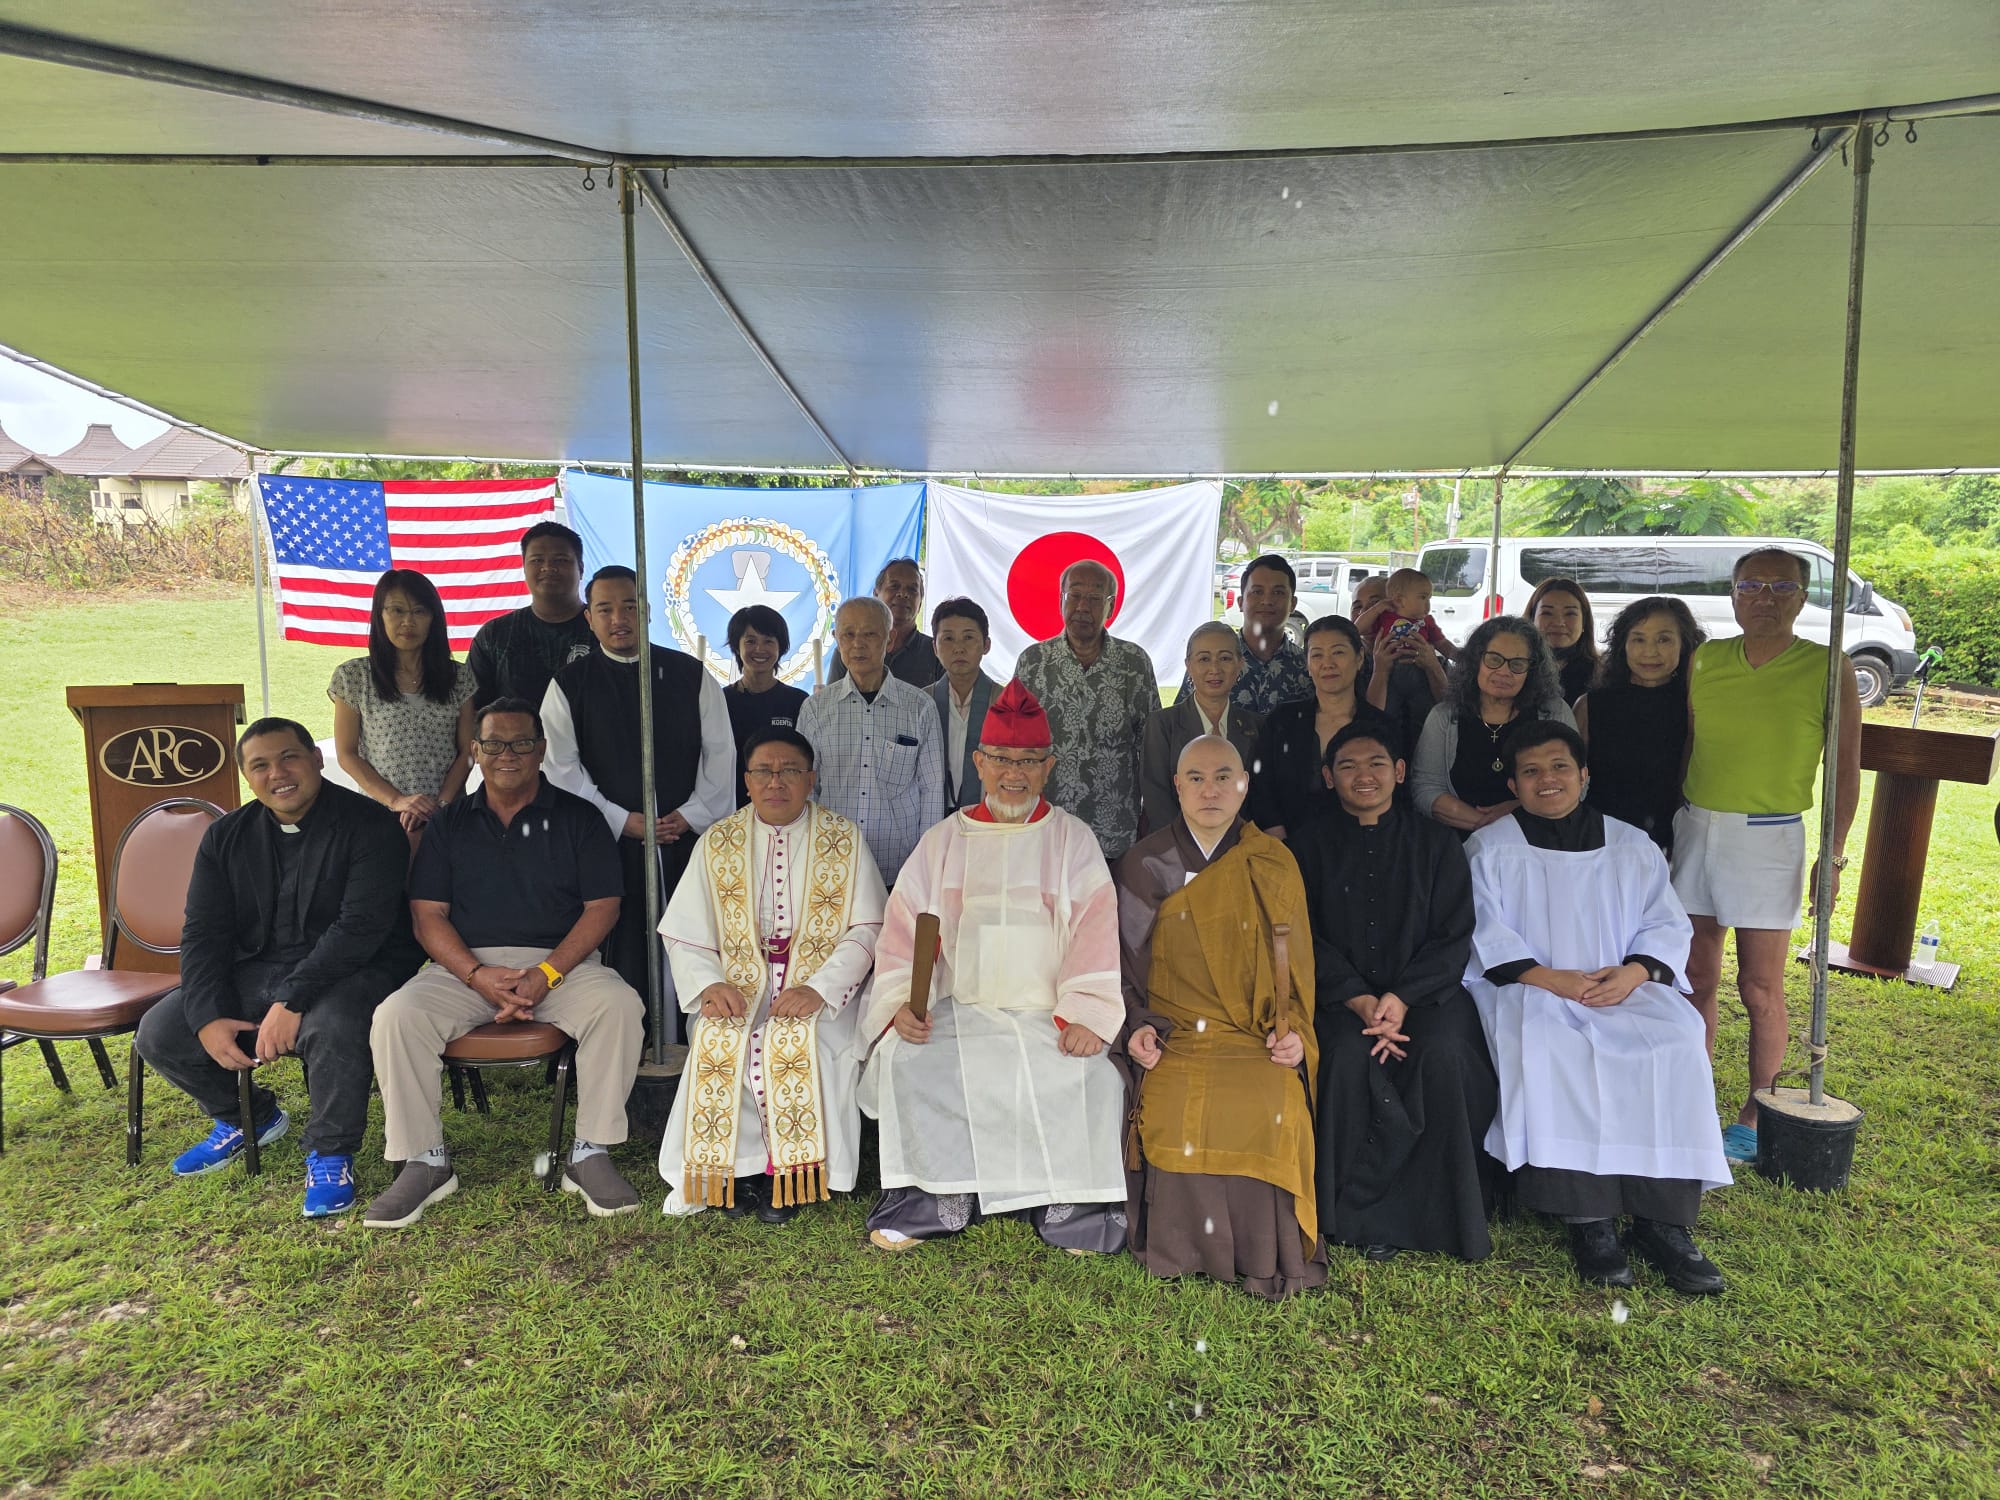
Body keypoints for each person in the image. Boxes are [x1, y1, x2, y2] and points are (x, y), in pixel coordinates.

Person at [859, 680, 1129, 1254]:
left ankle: (1068, 1201)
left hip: (1048, 1014)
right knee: (909, 1061)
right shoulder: (942, 841)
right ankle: (939, 1195)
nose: (1014, 773)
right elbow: (907, 932)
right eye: (1002, 759)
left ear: (1048, 765)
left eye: (1029, 761)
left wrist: (1084, 1013)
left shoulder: (1072, 840)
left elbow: (1095, 931)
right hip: (962, 1010)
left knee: (1089, 1076)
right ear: (979, 761)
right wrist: (904, 1010)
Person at [1465, 722, 1729, 1294]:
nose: (1547, 780)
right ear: (1514, 782)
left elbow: (1664, 922)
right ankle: (1589, 1221)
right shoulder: (1492, 848)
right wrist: (1547, 977)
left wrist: (1635, 972)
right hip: (1532, 986)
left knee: (1675, 1043)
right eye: (1531, 772)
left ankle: (1665, 1223)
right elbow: (1483, 931)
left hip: (1623, 983)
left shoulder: (1631, 845)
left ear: (1584, 775)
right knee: (1554, 1045)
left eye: (1560, 767)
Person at [364, 698, 646, 1228]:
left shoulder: (580, 818)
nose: (507, 754)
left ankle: (590, 1153)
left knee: (619, 1004)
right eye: (493, 743)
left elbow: (603, 907)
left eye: (521, 743)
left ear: (541, 750)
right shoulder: (449, 825)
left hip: (561, 966)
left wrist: (547, 974)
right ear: (474, 752)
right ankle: (423, 1161)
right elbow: (427, 915)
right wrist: (475, 975)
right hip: (465, 969)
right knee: (396, 1016)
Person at [135, 718, 424, 1217]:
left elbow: (360, 928)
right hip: (258, 967)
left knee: (332, 1025)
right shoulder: (225, 836)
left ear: (316, 758)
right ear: (247, 776)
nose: (279, 774)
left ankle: (332, 1153)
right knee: (162, 1030)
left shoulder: (372, 825)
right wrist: (206, 1015)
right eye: (261, 765)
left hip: (358, 966)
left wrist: (293, 1001)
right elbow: (203, 932)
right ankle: (249, 1117)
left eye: (289, 757)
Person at [1114, 735, 1324, 1298]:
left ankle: (1264, 1253)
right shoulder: (1146, 863)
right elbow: (1124, 968)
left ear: (1245, 784)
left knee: (1270, 1102)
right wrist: (1136, 1027)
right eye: (1197, 779)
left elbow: (1298, 971)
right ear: (1176, 786)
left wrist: (1296, 1036)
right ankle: (1183, 1251)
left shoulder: (1273, 863)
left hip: (1254, 1036)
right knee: (1176, 1107)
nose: (1212, 790)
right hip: (1175, 1033)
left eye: (1224, 777)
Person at [1674, 547, 1861, 1164]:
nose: (1765, 598)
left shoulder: (1826, 665)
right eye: (1751, 585)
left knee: (1759, 986)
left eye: (1782, 587)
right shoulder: (1706, 659)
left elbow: (1845, 770)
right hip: (1698, 828)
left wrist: (1830, 858)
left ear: (1803, 597)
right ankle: (1692, 1094)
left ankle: (1757, 1110)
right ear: (1732, 594)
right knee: (1694, 976)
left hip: (1771, 835)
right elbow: (1694, 746)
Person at [656, 729, 886, 1222]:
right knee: (720, 1038)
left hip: (816, 987)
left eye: (789, 771)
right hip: (738, 984)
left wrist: (818, 988)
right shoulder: (719, 841)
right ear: (747, 781)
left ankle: (793, 1175)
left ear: (811, 780)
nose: (775, 781)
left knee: (802, 1042)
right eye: (764, 771)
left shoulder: (842, 840)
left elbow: (868, 928)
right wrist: (709, 983)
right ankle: (733, 1173)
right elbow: (685, 933)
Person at [1291, 722, 1499, 1262]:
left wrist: (1402, 999)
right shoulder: (1307, 846)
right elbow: (1301, 933)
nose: (1364, 776)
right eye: (1348, 767)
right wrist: (1359, 999)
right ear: (1327, 776)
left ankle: (1443, 1206)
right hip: (1341, 997)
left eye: (1377, 764)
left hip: (1426, 996)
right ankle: (1355, 1213)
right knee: (1343, 1054)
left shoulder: (1437, 843)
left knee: (1444, 1052)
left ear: (1400, 772)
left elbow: (1454, 935)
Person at [541, 565, 734, 1011]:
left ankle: (690, 1035)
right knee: (623, 942)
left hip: (684, 837)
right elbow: (561, 768)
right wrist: (620, 820)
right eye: (605, 609)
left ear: (646, 611)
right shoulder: (570, 685)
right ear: (589, 618)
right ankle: (631, 1035)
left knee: (693, 936)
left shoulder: (691, 674)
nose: (618, 618)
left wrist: (692, 814)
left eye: (629, 606)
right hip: (609, 843)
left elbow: (721, 752)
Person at [1013, 559, 1158, 859]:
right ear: (1061, 599)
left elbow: (1151, 746)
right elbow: (1015, 746)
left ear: (1111, 605)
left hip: (1114, 830)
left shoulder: (1134, 663)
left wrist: (1151, 813)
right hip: (1045, 826)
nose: (1082, 606)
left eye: (1094, 599)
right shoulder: (1033, 662)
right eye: (1074, 595)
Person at [797, 596, 945, 884]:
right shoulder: (816, 709)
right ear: (837, 640)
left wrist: (925, 864)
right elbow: (806, 788)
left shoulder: (919, 707)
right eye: (848, 634)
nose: (858, 643)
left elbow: (931, 790)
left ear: (889, 640)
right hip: (831, 863)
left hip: (899, 868)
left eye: (870, 634)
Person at [328, 569, 476, 836]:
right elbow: (347, 754)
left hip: (447, 817)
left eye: (419, 611)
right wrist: (397, 801)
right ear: (380, 615)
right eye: (397, 610)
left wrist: (441, 803)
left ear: (433, 619)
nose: (408, 621)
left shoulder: (460, 677)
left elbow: (467, 751)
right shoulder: (353, 677)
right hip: (381, 816)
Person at [1412, 616, 1576, 836]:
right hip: (1459, 845)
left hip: (1539, 838)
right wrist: (1486, 826)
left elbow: (1577, 784)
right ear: (1475, 661)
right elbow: (1425, 788)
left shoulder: (1554, 712)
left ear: (1532, 670)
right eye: (1494, 659)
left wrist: (1516, 812)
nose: (1504, 671)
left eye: (1517, 664)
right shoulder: (1444, 716)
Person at [1574, 596, 1706, 854]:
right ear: (1623, 644)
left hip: (1677, 843)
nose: (1650, 651)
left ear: (1684, 645)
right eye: (1638, 639)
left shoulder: (1696, 707)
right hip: (1600, 841)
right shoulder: (1590, 706)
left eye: (1664, 639)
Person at [1246, 615, 1396, 842]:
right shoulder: (1283, 720)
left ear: (1359, 659)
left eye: (1338, 652)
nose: (1328, 663)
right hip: (1288, 851)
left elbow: (1395, 797)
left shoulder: (1380, 726)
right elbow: (1262, 788)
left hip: (1364, 848)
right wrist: (1281, 846)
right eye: (1317, 655)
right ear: (1307, 664)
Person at [1140, 621, 1262, 835]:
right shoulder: (1162, 724)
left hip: (1240, 847)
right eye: (1204, 659)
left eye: (1224, 658)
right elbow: (1156, 798)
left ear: (1240, 664)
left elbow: (1261, 798)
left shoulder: (1256, 726)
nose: (1214, 669)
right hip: (1176, 847)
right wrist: (1195, 848)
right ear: (1188, 665)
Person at [465, 521, 595, 711]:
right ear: (524, 568)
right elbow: (472, 713)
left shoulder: (604, 630)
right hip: (516, 741)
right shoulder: (494, 636)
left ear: (581, 568)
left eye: (561, 559)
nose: (548, 567)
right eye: (537, 560)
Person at [1175, 554, 1311, 714]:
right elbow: (1179, 724)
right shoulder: (1210, 661)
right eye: (1257, 592)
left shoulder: (1307, 668)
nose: (1267, 600)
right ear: (1241, 602)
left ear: (1293, 604)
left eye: (1278, 592)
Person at [721, 604, 809, 808]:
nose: (759, 649)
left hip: (781, 806)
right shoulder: (720, 700)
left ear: (781, 647)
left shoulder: (798, 701)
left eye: (768, 641)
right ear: (736, 646)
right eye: (750, 641)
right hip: (730, 809)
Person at [1365, 567, 1455, 763]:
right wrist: (1377, 608)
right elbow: (1355, 629)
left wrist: (1463, 657)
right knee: (1386, 720)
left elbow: (1443, 644)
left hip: (1420, 672)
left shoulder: (1426, 622)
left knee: (1425, 718)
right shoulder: (1384, 617)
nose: (1428, 605)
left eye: (1429, 598)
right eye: (1423, 597)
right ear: (1399, 599)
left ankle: (1421, 757)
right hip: (1390, 675)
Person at [927, 596, 1001, 811]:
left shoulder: (1003, 702)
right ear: (935, 647)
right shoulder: (922, 702)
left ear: (986, 645)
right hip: (932, 816)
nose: (958, 648)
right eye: (948, 638)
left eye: (968, 637)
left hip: (990, 816)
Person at [829, 557, 943, 687]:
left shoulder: (936, 652)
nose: (903, 594)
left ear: (920, 602)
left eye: (912, 589)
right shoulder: (852, 649)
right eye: (894, 586)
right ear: (876, 595)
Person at [1526, 577, 1599, 706]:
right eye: (1547, 613)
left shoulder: (1601, 675)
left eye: (1570, 614)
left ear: (1584, 623)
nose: (1559, 622)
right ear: (1532, 619)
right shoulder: (1514, 669)